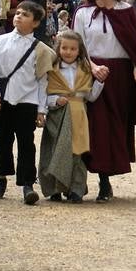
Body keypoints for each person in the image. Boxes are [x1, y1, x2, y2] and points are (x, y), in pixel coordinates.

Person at [71, 0, 136, 202]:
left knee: (116, 126)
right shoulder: (83, 13)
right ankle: (98, 180)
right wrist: (92, 67)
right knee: (96, 127)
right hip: (93, 73)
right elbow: (77, 46)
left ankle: (105, 178)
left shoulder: (126, 10)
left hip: (120, 77)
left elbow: (135, 45)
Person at [0, 2, 52, 205]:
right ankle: (1, 176)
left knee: (26, 142)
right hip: (3, 99)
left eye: (26, 15)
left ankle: (27, 183)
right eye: (19, 13)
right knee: (1, 140)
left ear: (36, 22)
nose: (19, 16)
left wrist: (41, 109)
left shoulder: (40, 49)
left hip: (27, 101)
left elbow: (42, 81)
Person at [39, 29, 103, 202]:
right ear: (58, 48)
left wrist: (100, 82)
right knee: (53, 150)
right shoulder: (51, 69)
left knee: (77, 152)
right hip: (57, 117)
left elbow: (90, 96)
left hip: (78, 115)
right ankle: (54, 189)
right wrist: (54, 101)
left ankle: (76, 189)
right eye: (64, 48)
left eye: (73, 49)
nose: (68, 52)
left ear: (79, 50)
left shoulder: (85, 69)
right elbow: (44, 93)